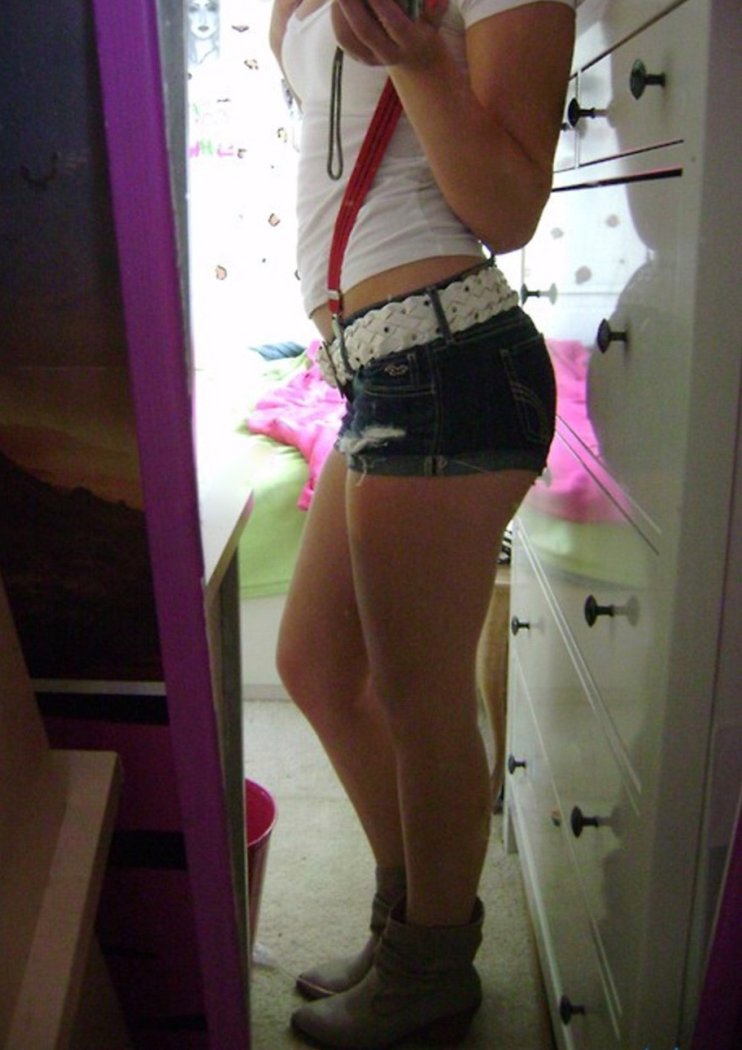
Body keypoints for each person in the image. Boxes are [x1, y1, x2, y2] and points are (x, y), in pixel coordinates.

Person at [269, 1, 575, 1046]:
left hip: (447, 359)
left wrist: (418, 59)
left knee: (419, 698)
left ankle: (431, 968)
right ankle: (409, 922)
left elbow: (510, 207)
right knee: (317, 665)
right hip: (379, 366)